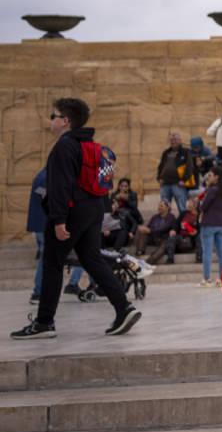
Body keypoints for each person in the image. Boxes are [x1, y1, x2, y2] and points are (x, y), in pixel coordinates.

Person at [12, 98, 141, 340]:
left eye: (54, 116)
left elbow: (59, 187)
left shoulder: (64, 147)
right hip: (93, 210)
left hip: (71, 212)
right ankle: (124, 308)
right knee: (92, 259)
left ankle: (43, 322)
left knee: (52, 262)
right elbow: (104, 182)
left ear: (65, 121)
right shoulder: (93, 145)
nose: (51, 120)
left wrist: (59, 221)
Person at [198, 167, 222, 287]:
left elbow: (204, 206)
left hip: (209, 223)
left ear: (216, 177)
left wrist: (201, 204)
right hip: (220, 224)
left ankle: (206, 279)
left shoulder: (212, 190)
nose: (208, 177)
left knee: (207, 252)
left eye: (210, 175)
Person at [155, 132, 192, 214]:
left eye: (175, 139)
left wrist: (184, 179)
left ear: (180, 140)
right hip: (165, 183)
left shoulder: (186, 152)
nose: (173, 141)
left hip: (178, 183)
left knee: (182, 207)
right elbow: (160, 166)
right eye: (171, 140)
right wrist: (159, 178)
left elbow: (189, 167)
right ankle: (166, 224)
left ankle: (183, 224)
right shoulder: (166, 152)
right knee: (164, 207)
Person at [26, 169, 48, 304]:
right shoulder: (44, 178)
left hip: (41, 224)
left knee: (45, 258)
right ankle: (38, 292)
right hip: (43, 224)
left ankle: (40, 291)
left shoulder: (43, 176)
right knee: (45, 258)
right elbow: (47, 197)